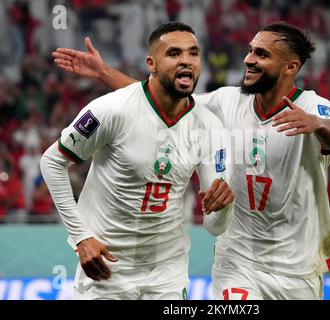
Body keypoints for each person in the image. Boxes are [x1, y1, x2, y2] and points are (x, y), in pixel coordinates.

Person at [52, 21, 330, 300]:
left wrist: (317, 124)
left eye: (261, 54)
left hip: (297, 265)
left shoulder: (312, 107)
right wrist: (104, 72)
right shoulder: (226, 101)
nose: (248, 59)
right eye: (250, 50)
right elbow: (160, 98)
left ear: (291, 67)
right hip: (238, 260)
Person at [41, 22, 235, 300]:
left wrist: (224, 207)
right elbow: (52, 162)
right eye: (174, 53)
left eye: (193, 53)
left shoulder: (210, 128)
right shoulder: (113, 109)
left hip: (167, 273)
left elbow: (215, 225)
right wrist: (80, 237)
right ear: (151, 64)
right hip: (106, 269)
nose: (186, 61)